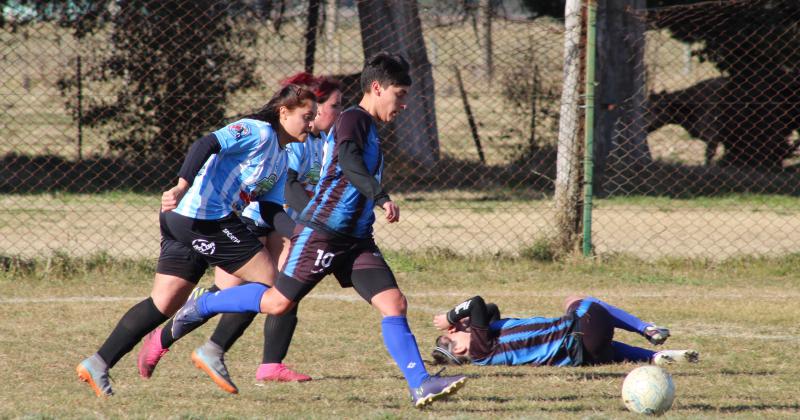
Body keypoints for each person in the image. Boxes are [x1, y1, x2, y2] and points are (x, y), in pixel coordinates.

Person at [169, 52, 468, 408]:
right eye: (399, 94)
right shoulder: (353, 120)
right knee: (277, 302)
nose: (403, 104)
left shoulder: (368, 126)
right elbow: (349, 160)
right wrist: (380, 195)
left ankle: (420, 385)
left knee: (393, 303)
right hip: (324, 232)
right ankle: (206, 304)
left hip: (356, 239)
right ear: (377, 88)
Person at [76, 84, 318, 397]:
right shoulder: (257, 132)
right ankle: (209, 335)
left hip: (189, 221)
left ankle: (97, 363)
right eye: (306, 116)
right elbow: (207, 143)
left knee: (163, 304)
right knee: (278, 292)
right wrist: (180, 186)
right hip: (203, 218)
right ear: (283, 112)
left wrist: (299, 234)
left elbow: (271, 209)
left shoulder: (281, 160)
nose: (312, 124)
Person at [135, 73, 343, 393]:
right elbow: (286, 185)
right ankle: (177, 340)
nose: (332, 113)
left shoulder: (318, 142)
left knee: (281, 287)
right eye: (333, 106)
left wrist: (302, 229)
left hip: (273, 220)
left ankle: (268, 363)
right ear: (290, 111)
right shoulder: (280, 138)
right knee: (236, 293)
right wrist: (305, 225)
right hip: (244, 218)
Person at [431, 295, 699, 367]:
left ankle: (653, 358)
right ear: (461, 348)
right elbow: (476, 303)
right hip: (583, 329)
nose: (458, 327)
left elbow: (490, 309)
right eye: (453, 333)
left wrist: (463, 324)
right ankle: (647, 329)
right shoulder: (478, 349)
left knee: (613, 351)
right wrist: (451, 316)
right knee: (577, 300)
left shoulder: (485, 344)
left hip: (583, 355)